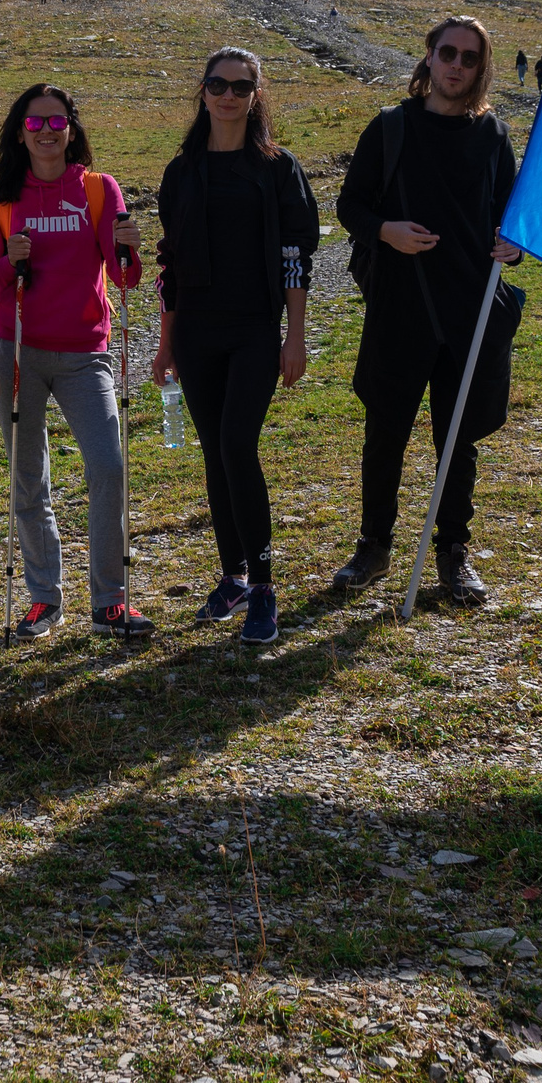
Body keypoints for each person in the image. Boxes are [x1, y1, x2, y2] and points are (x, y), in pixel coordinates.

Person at [332, 17, 523, 608]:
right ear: (429, 56)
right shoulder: (390, 128)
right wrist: (385, 230)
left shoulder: (492, 136)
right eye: (448, 53)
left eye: (469, 57)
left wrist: (514, 246)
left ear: (480, 68)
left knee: (457, 441)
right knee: (384, 434)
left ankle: (453, 555)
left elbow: (512, 223)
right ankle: (374, 547)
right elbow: (350, 206)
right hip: (399, 309)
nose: (456, 66)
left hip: (469, 312)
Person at [149, 48, 321, 645]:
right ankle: (234, 575)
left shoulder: (277, 167)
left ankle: (266, 588)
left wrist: (295, 335)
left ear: (255, 95)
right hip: (196, 332)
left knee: (235, 445)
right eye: (218, 84)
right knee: (214, 453)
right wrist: (165, 343)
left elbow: (296, 256)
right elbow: (169, 265)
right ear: (202, 91)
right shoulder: (182, 170)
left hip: (254, 329)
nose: (228, 95)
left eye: (241, 86)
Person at [0, 83, 151, 639]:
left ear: (71, 128)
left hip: (83, 355)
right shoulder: (3, 198)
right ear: (19, 131)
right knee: (28, 479)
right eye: (34, 124)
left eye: (56, 122)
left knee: (108, 467)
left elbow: (123, 277)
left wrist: (131, 247)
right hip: (16, 351)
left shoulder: (98, 189)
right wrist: (9, 264)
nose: (46, 133)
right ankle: (44, 598)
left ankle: (110, 601)